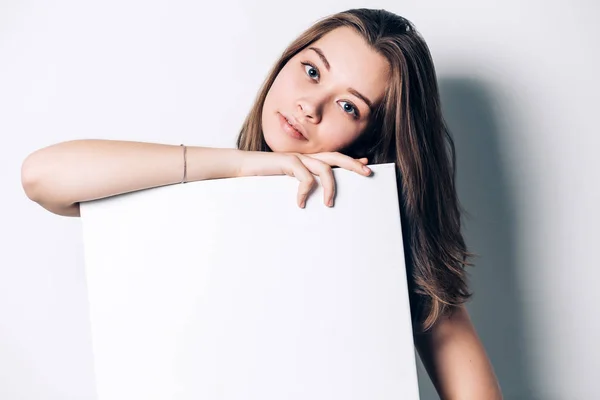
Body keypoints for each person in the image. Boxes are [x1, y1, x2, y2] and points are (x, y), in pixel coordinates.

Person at [21, 8, 503, 399]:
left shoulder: (386, 241)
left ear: (371, 138)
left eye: (349, 106)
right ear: (286, 62)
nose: (310, 106)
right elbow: (42, 176)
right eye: (311, 71)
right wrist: (244, 166)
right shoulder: (196, 202)